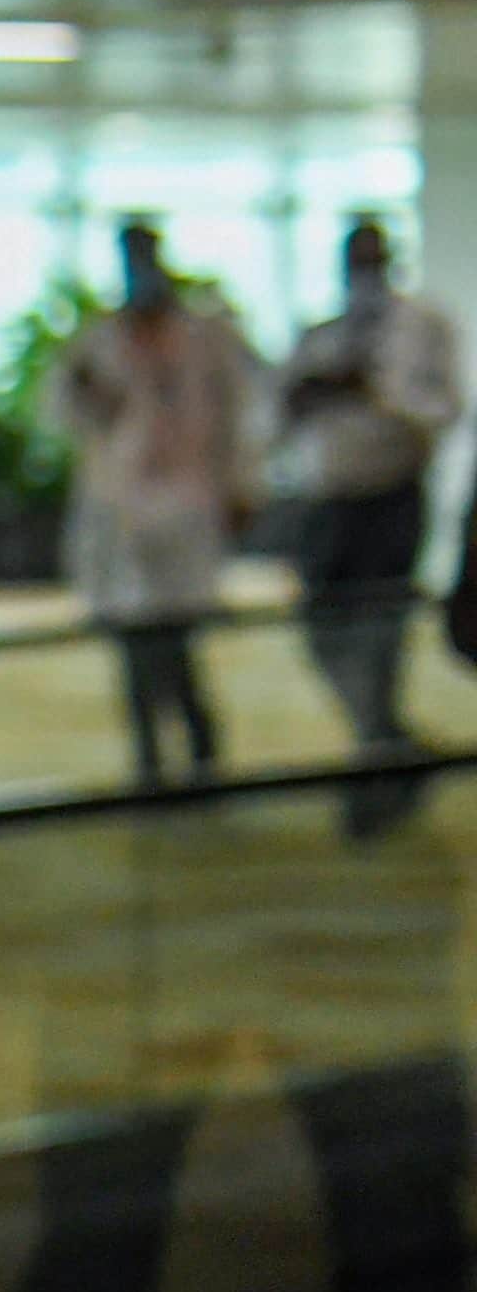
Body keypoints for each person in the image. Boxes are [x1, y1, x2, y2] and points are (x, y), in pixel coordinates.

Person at [48, 221, 261, 786]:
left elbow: (235, 419)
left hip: (186, 506)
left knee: (174, 638)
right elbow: (72, 415)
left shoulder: (205, 338)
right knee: (133, 641)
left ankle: (199, 752)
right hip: (120, 510)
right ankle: (150, 760)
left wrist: (240, 488)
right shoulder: (100, 340)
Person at [274, 217, 458, 836]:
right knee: (320, 628)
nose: (365, 272)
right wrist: (318, 390)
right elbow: (280, 407)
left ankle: (376, 773)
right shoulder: (320, 334)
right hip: (328, 498)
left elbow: (446, 408)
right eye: (356, 260)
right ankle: (390, 745)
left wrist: (377, 393)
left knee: (380, 635)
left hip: (392, 495)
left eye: (375, 258)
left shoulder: (424, 328)